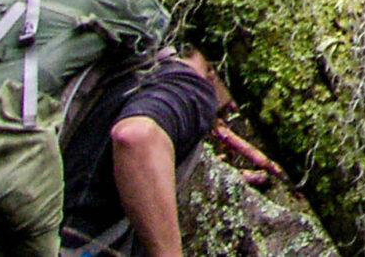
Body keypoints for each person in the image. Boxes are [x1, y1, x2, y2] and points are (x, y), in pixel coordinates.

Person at [59, 50, 235, 257]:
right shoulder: (188, 87)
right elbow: (137, 137)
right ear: (216, 68)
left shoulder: (134, 69)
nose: (233, 107)